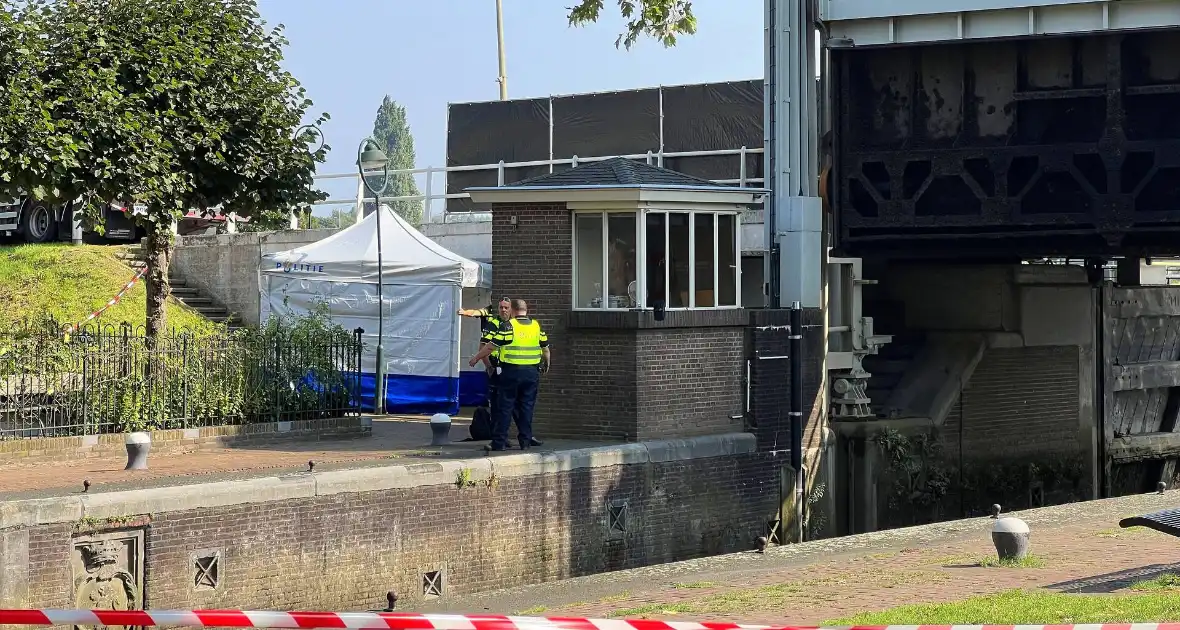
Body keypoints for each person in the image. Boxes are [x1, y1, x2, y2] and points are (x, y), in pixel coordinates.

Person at [468, 298, 548, 451]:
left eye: (506, 307)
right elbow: (485, 346)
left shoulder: (510, 326)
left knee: (509, 408)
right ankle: (518, 440)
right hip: (506, 370)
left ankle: (507, 441)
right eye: (501, 307)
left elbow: (491, 346)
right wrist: (489, 366)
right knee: (510, 408)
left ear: (512, 309)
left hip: (510, 371)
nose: (503, 310)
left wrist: (476, 358)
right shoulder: (498, 325)